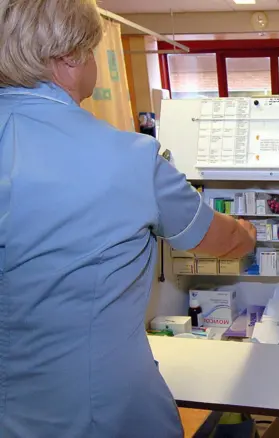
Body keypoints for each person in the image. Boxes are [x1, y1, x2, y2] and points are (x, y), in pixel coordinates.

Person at [0, 1, 256, 437]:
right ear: (70, 57)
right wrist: (246, 233)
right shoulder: (127, 158)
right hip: (99, 407)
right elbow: (221, 240)